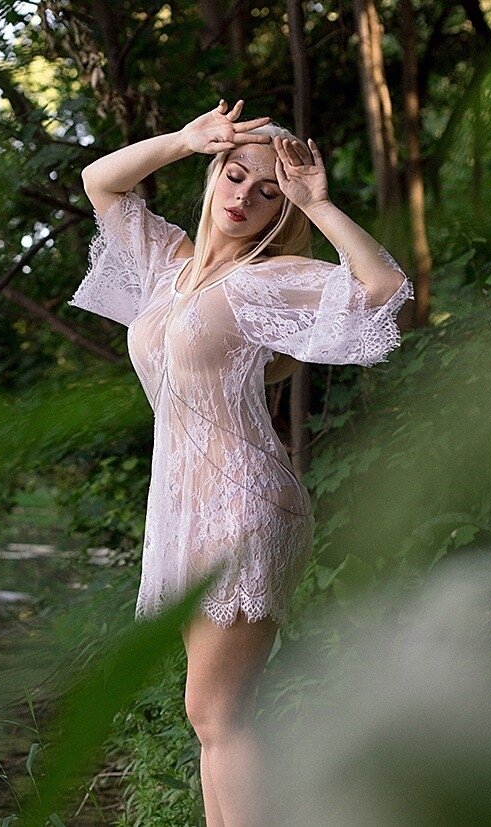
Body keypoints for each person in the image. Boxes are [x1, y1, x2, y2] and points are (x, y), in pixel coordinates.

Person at [69, 99, 413, 827]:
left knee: (219, 714)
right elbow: (100, 180)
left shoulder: (269, 277)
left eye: (267, 192)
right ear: (214, 173)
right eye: (235, 176)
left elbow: (384, 291)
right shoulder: (167, 267)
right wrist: (183, 139)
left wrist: (316, 204)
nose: (244, 198)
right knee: (210, 720)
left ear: (278, 209)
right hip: (182, 510)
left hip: (243, 502)